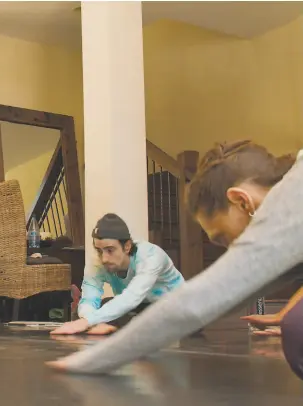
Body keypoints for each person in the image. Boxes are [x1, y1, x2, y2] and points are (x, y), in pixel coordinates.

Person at [46, 141, 303, 381]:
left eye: (224, 238)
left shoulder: (288, 201)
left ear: (241, 200)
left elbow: (196, 304)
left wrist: (91, 361)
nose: (231, 250)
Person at [50, 213, 185, 336]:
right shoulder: (98, 261)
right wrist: (90, 320)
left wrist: (87, 322)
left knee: (142, 314)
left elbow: (132, 297)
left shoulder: (150, 256)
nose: (104, 258)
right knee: (97, 308)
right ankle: (119, 326)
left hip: (176, 308)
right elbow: (89, 298)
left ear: (127, 246)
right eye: (99, 250)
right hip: (139, 308)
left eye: (110, 250)